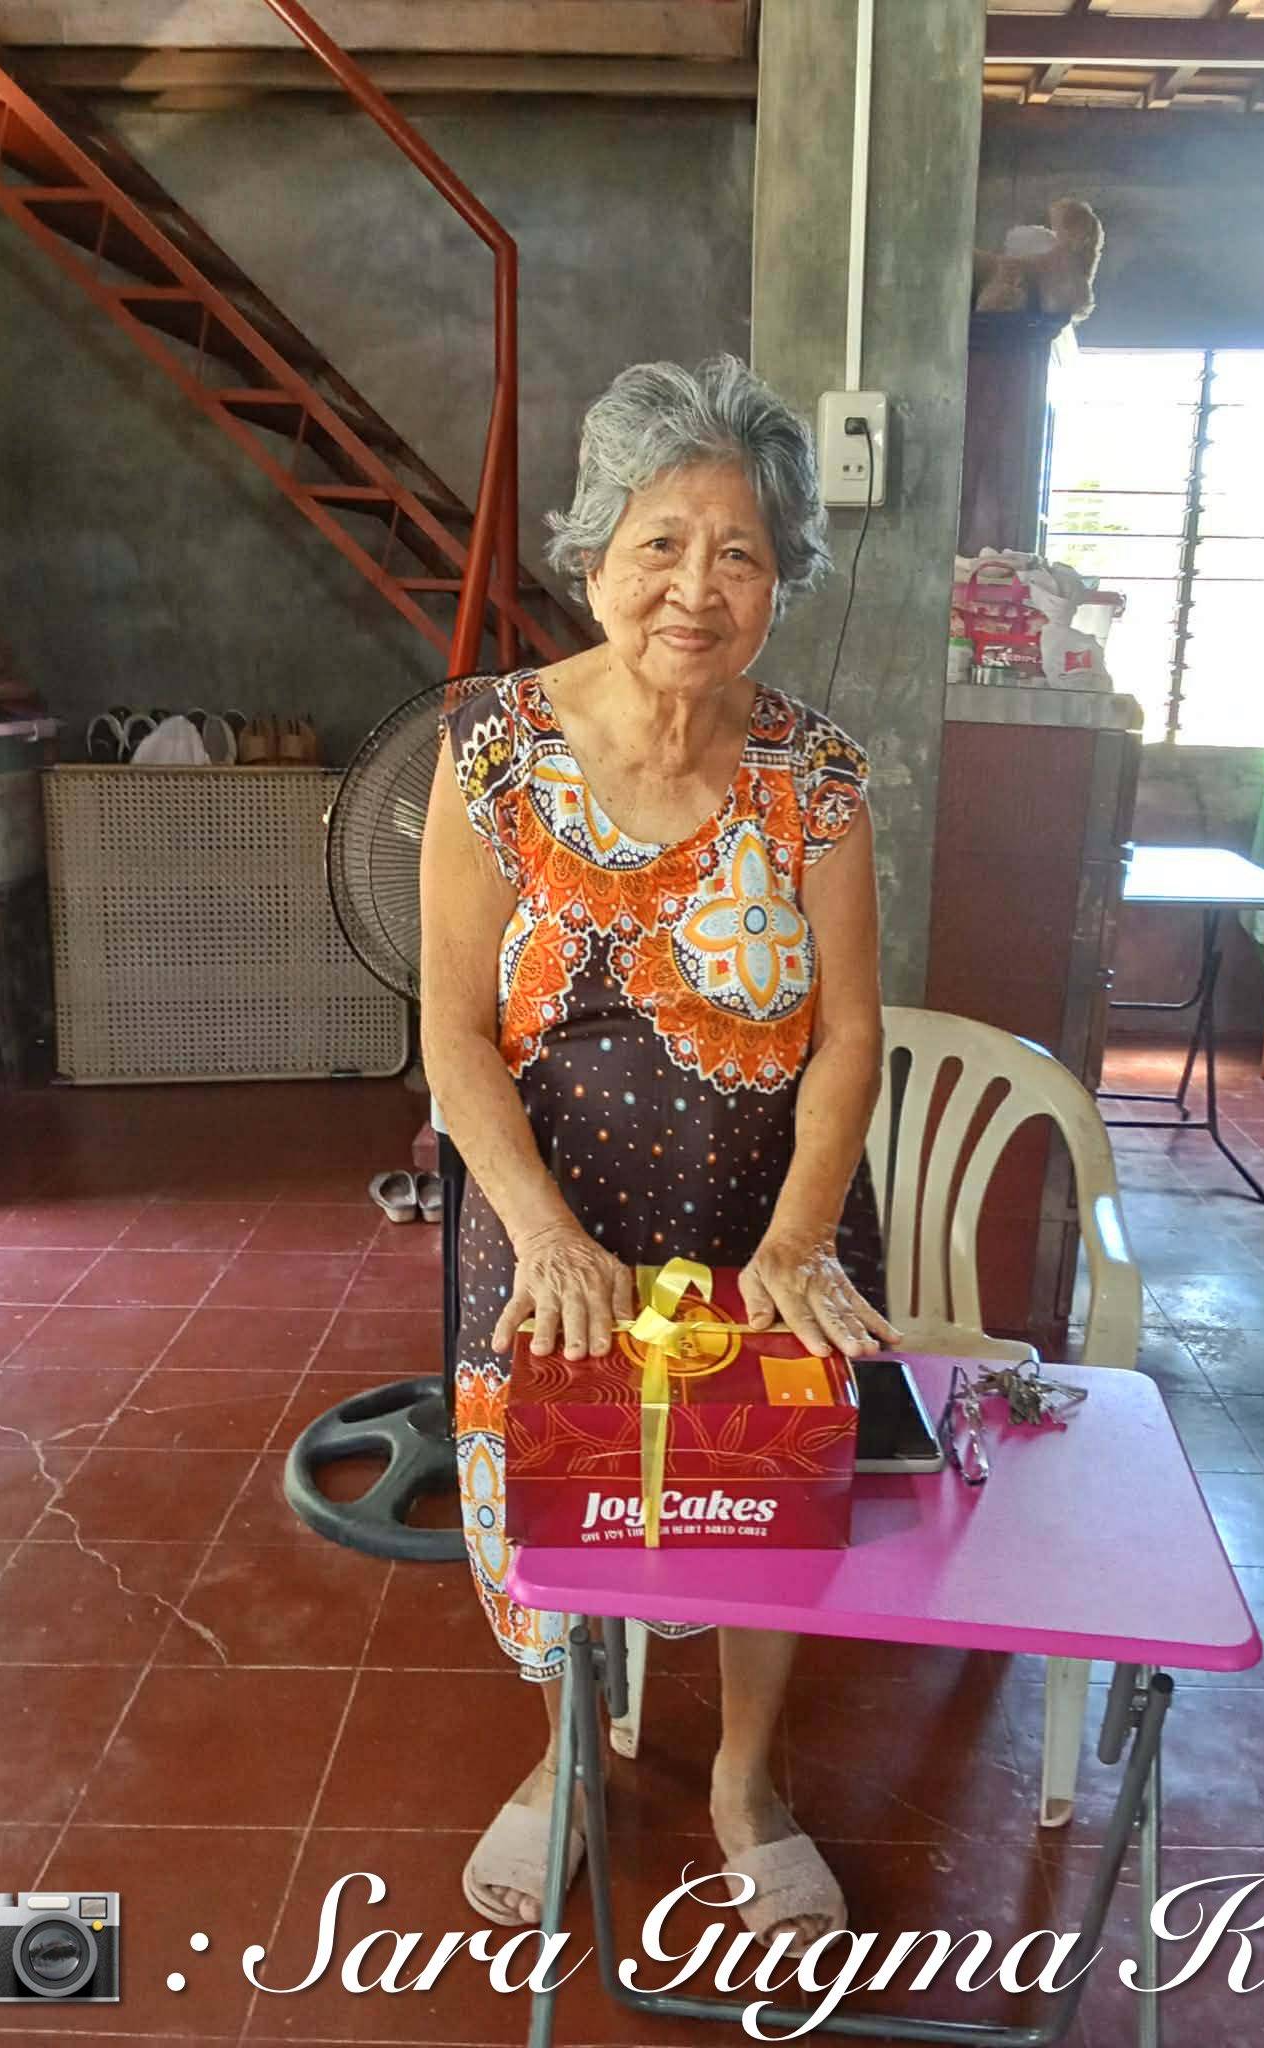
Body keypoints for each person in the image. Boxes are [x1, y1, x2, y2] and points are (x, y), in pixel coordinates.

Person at [420, 354, 895, 1951]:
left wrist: (798, 1238)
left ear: (782, 579)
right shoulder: (494, 746)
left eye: (740, 552)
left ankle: (745, 1783)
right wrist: (543, 1234)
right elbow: (452, 1032)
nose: (698, 588)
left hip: (769, 1215)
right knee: (559, 1498)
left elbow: (848, 1033)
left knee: (764, 1498)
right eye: (662, 545)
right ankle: (567, 1752)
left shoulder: (819, 774)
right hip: (555, 1218)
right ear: (595, 553)